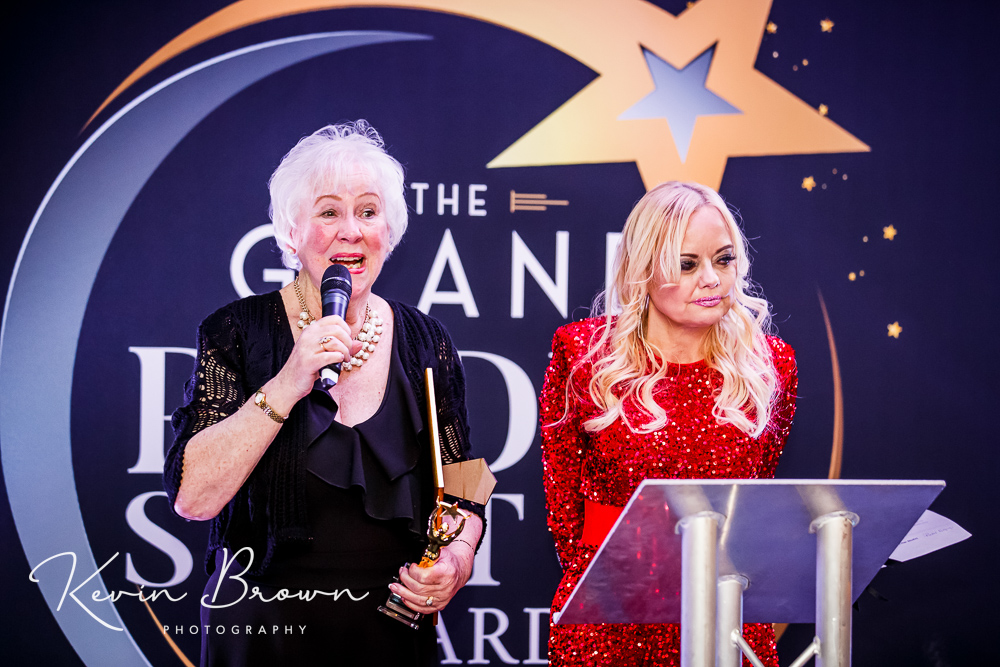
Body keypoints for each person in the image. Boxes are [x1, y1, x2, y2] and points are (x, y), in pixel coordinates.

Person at [163, 120, 483, 666]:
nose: (350, 231)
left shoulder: (429, 339)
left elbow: (461, 486)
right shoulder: (236, 332)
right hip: (264, 630)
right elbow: (195, 498)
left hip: (391, 630)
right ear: (292, 233)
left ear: (390, 229)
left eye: (368, 211)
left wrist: (458, 557)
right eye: (329, 212)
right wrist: (291, 379)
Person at [539, 181, 798, 666]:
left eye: (723, 260)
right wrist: (606, 587)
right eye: (687, 263)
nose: (712, 280)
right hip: (611, 618)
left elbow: (758, 484)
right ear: (643, 270)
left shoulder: (769, 364)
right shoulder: (584, 354)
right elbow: (564, 499)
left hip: (729, 614)